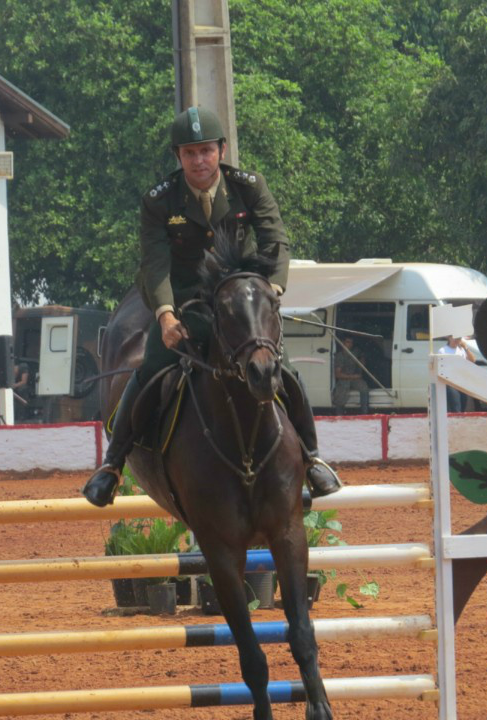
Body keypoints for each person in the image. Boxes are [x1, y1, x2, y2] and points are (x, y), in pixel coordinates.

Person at [82, 106, 342, 507]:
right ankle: (112, 464)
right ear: (178, 156)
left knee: (283, 369)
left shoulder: (248, 186)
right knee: (150, 369)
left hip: (237, 298)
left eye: (206, 150)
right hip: (185, 300)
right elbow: (155, 264)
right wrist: (166, 316)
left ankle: (312, 458)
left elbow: (275, 240)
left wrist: (270, 291)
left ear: (221, 150)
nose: (199, 160)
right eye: (190, 153)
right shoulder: (159, 201)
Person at [437, 335, 477, 412]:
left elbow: (473, 360)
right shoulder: (443, 350)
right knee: (455, 407)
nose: (457, 340)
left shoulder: (461, 350)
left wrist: (466, 348)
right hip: (450, 383)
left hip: (461, 382)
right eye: (455, 338)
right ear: (449, 338)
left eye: (459, 338)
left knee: (463, 406)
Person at [332, 337, 370, 415]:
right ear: (343, 343)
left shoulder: (355, 353)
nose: (350, 344)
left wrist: (362, 358)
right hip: (344, 379)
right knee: (340, 396)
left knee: (364, 388)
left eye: (351, 342)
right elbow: (338, 374)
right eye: (348, 342)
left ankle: (364, 413)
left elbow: (362, 358)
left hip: (354, 379)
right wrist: (353, 376)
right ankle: (339, 416)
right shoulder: (340, 356)